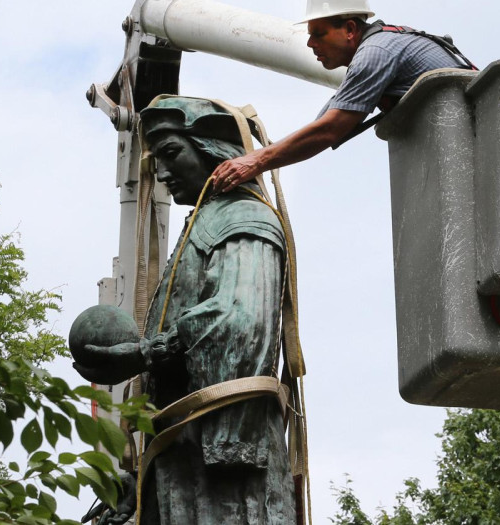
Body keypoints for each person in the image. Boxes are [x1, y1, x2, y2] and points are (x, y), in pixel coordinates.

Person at [76, 96, 295, 525]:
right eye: (156, 159)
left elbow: (238, 319)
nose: (160, 171)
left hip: (225, 463)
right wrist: (141, 484)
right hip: (182, 458)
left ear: (214, 150)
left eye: (172, 152)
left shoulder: (244, 219)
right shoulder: (202, 227)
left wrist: (144, 354)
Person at [209, 0, 469, 193]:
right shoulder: (377, 50)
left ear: (350, 29)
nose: (310, 43)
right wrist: (260, 152)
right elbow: (319, 126)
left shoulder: (375, 53)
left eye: (318, 33)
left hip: (472, 136)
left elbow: (329, 130)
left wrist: (256, 161)